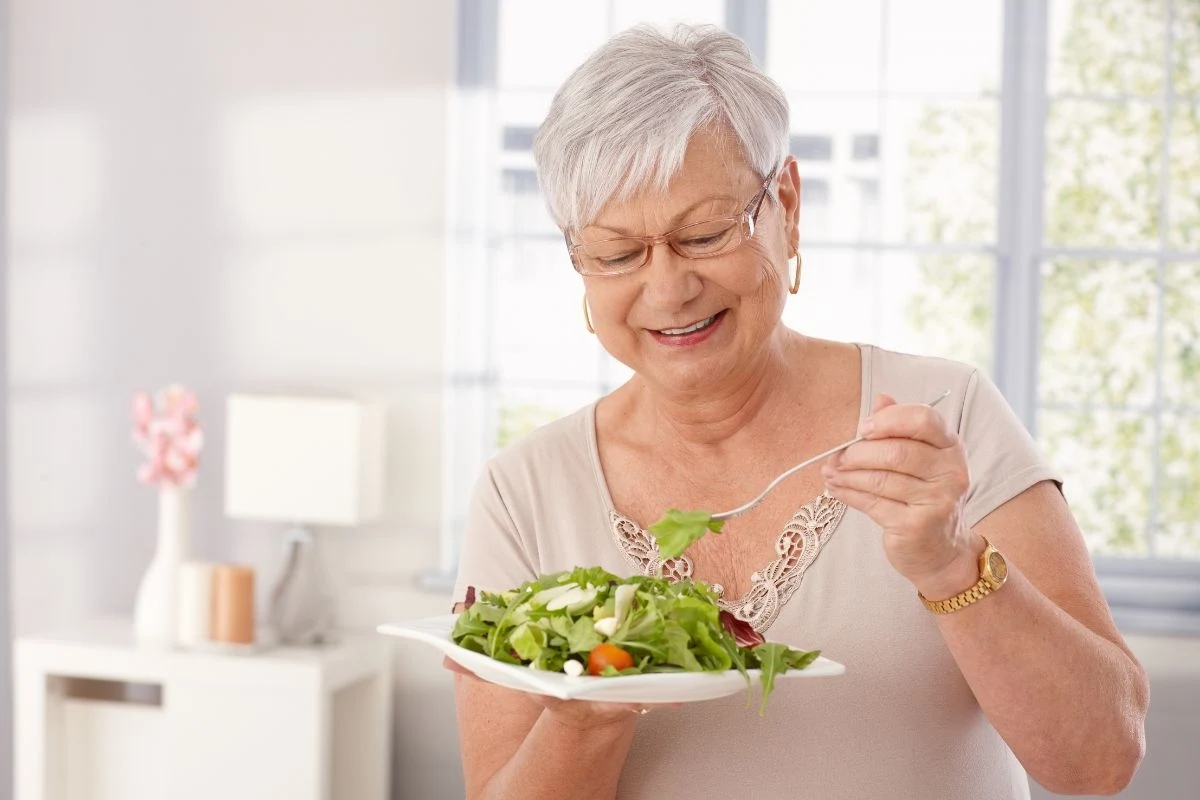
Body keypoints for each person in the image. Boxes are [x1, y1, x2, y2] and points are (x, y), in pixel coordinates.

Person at [449, 23, 1148, 800]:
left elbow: (1100, 761)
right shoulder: (525, 491)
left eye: (705, 233)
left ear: (785, 202)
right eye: (616, 254)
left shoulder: (944, 417)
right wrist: (590, 706)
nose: (669, 289)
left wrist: (952, 562)